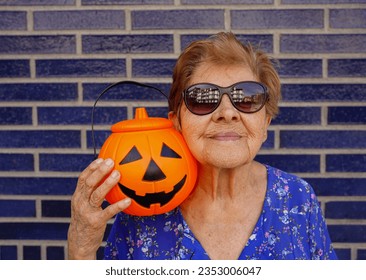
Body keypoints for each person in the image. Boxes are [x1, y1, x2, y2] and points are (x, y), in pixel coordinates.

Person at [67, 32, 337, 260]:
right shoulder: (143, 205)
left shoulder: (298, 199)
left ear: (265, 122)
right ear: (177, 124)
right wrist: (82, 244)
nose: (227, 112)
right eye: (203, 98)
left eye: (246, 97)